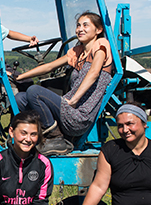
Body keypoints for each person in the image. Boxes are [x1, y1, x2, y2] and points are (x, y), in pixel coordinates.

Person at [14, 11, 115, 156]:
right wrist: (20, 77)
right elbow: (49, 67)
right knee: (20, 98)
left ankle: (55, 138)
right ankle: (41, 134)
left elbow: (94, 72)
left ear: (98, 30)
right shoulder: (77, 51)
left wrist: (73, 100)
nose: (80, 29)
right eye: (78, 25)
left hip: (79, 116)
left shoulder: (101, 44)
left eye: (85, 25)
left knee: (34, 91)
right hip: (68, 109)